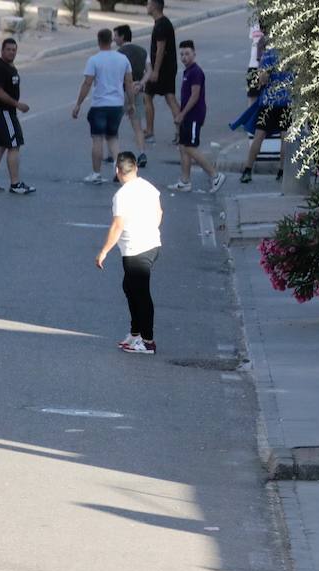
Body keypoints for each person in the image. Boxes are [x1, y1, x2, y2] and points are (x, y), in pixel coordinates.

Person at [96, 151, 162, 355]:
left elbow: (117, 226)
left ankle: (148, 341)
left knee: (140, 294)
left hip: (136, 250)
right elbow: (159, 212)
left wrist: (104, 251)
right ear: (136, 168)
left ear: (117, 171)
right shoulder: (149, 187)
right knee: (130, 288)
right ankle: (136, 333)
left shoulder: (122, 196)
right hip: (151, 245)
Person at [72, 29, 133, 184]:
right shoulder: (123, 59)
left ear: (98, 41)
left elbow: (87, 83)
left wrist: (78, 104)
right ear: (111, 40)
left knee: (97, 138)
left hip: (99, 105)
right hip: (117, 105)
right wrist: (131, 103)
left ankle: (96, 173)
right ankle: (120, 171)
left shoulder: (94, 60)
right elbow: (129, 83)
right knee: (113, 138)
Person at [168, 40, 224, 193]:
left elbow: (195, 95)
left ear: (194, 54)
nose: (184, 57)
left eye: (187, 54)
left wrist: (182, 114)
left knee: (190, 147)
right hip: (187, 115)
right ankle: (185, 181)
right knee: (183, 147)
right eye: (181, 54)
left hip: (193, 115)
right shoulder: (187, 72)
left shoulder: (195, 72)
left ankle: (215, 175)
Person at [0, 38, 34, 194]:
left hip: (3, 112)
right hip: (4, 112)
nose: (11, 52)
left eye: (14, 50)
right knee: (14, 145)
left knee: (1, 145)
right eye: (8, 49)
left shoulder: (9, 66)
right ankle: (15, 184)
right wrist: (17, 104)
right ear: (2, 50)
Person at [238, 46, 292, 184]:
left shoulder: (269, 54)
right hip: (287, 100)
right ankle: (282, 172)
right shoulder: (294, 52)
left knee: (259, 136)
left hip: (269, 101)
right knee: (285, 137)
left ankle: (247, 170)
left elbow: (262, 79)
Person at [140, 0, 178, 141]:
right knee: (169, 97)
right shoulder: (162, 23)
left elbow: (160, 50)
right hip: (167, 67)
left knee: (148, 96)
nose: (147, 6)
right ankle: (181, 132)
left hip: (162, 68)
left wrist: (155, 71)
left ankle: (150, 131)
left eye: (148, 3)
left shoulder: (161, 25)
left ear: (155, 6)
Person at [113, 25, 149, 168]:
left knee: (114, 125)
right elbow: (149, 71)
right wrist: (141, 83)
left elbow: (117, 75)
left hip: (122, 93)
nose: (114, 38)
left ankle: (113, 155)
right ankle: (142, 153)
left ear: (122, 37)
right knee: (137, 125)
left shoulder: (118, 54)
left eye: (116, 35)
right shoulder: (142, 51)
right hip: (137, 91)